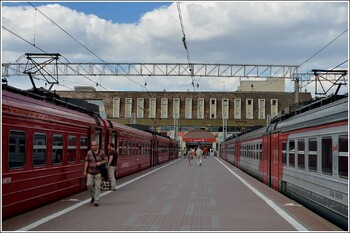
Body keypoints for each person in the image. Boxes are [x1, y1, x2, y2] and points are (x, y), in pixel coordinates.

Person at [84, 140, 107, 207]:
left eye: (94, 145)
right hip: (90, 172)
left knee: (97, 187)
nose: (93, 147)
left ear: (97, 145)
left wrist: (101, 162)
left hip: (98, 172)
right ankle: (93, 196)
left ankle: (96, 201)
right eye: (92, 145)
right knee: (88, 185)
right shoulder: (89, 153)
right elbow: (86, 161)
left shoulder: (101, 152)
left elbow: (106, 160)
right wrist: (85, 170)